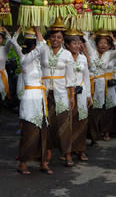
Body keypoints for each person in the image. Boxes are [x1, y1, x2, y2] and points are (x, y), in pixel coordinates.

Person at [12, 27, 51, 174]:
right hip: (29, 99)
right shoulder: (25, 59)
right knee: (29, 131)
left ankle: (43, 162)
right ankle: (23, 164)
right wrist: (37, 29)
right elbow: (42, 47)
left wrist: (23, 30)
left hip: (40, 98)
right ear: (32, 46)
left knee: (43, 130)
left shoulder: (38, 62)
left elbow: (43, 49)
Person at [40, 19, 75, 167]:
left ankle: (67, 154)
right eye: (53, 36)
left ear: (63, 40)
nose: (55, 39)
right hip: (44, 93)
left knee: (63, 123)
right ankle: (46, 153)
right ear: (49, 38)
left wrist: (72, 95)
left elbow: (70, 77)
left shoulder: (67, 54)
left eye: (59, 37)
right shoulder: (43, 51)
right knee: (46, 123)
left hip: (61, 93)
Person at [85, 30, 116, 146]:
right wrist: (94, 35)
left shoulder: (109, 54)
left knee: (97, 111)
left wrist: (112, 37)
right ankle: (90, 135)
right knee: (88, 110)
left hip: (100, 85)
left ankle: (94, 136)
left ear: (109, 45)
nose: (103, 45)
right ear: (96, 44)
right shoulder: (92, 52)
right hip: (89, 83)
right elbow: (86, 40)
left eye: (105, 43)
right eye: (100, 43)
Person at [64, 30, 92, 161]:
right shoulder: (63, 57)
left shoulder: (82, 58)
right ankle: (67, 151)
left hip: (81, 93)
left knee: (81, 122)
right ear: (67, 45)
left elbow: (86, 77)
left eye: (78, 43)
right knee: (67, 122)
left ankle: (81, 150)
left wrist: (89, 95)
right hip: (67, 93)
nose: (76, 46)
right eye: (73, 43)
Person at [0, 26, 11, 103]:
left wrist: (6, 32)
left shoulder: (5, 49)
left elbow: (10, 41)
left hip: (2, 75)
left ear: (2, 39)